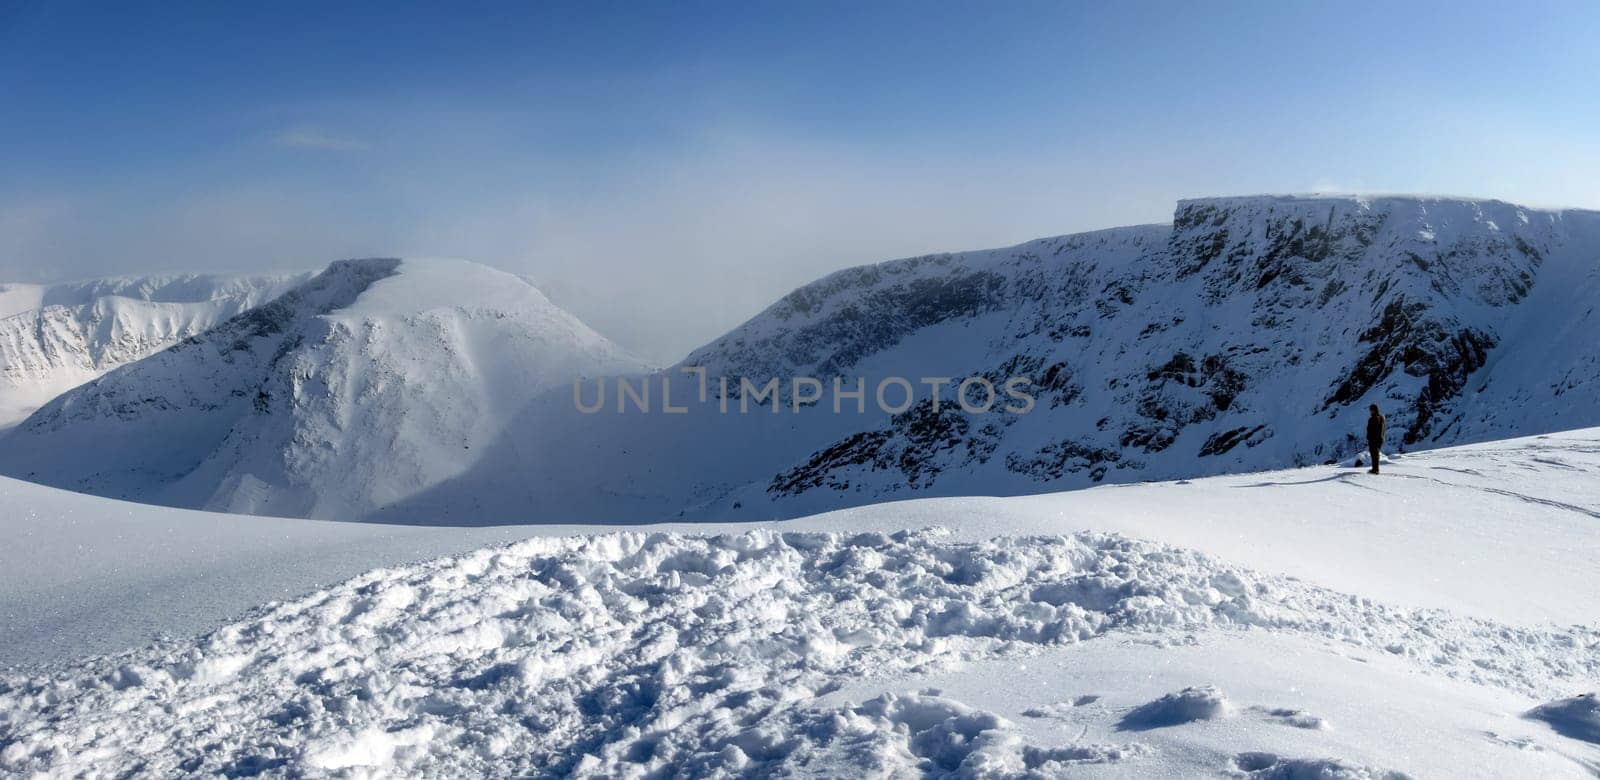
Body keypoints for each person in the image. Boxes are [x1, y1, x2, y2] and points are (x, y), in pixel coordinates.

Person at [1366, 404, 1386, 474]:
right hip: (1379, 439)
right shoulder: (1381, 417)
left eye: (1371, 410)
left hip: (1374, 439)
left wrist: (1372, 438)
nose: (1370, 411)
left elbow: (1374, 430)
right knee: (1375, 454)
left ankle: (1375, 470)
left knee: (1374, 454)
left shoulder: (1374, 418)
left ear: (1374, 410)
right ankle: (1375, 469)